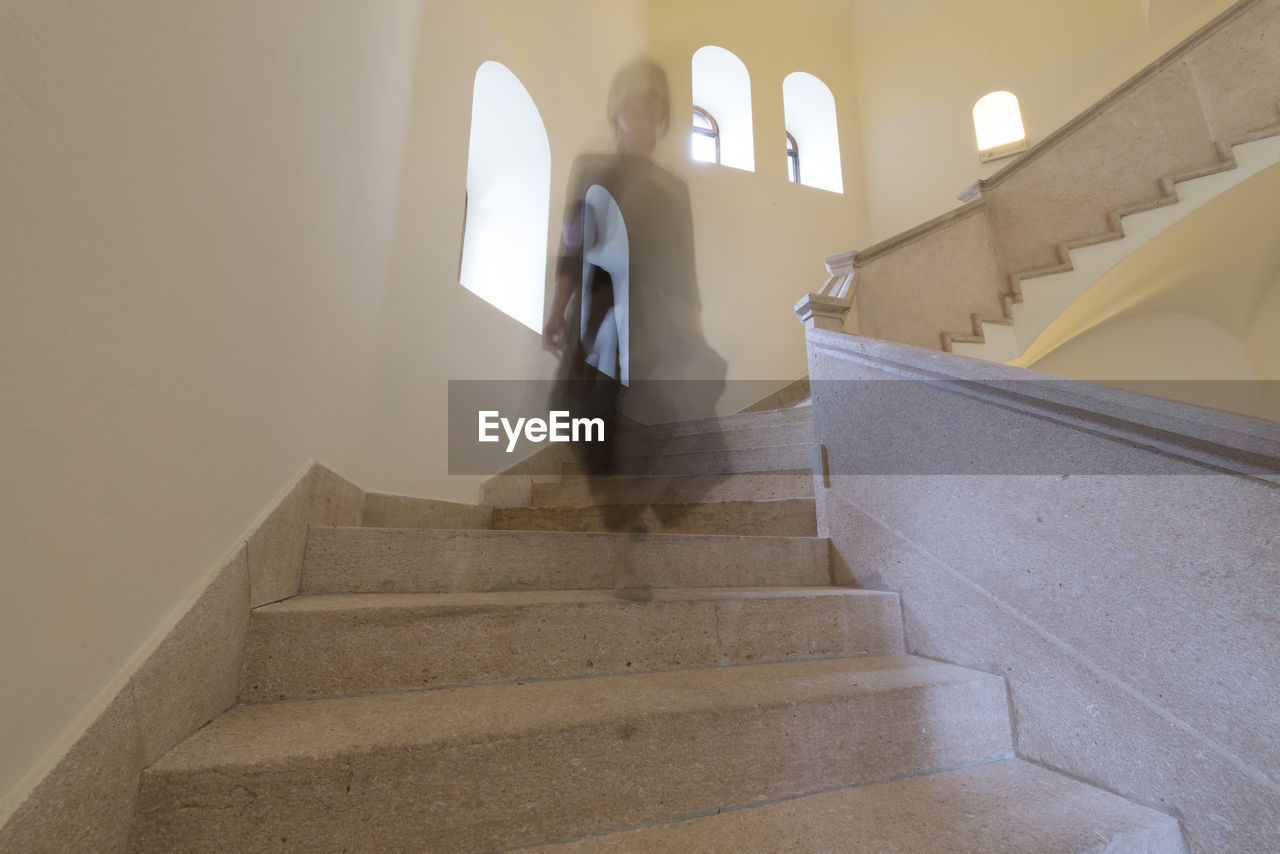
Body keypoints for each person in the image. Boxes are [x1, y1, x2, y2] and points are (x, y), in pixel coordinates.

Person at [543, 58, 727, 598]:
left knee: (641, 428)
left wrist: (693, 335)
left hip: (656, 324)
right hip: (600, 316)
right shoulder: (590, 168)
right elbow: (572, 247)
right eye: (632, 94)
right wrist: (556, 308)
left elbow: (686, 272)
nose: (642, 104)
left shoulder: (674, 188)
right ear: (615, 105)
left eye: (653, 97)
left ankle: (623, 537)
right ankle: (621, 526)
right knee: (589, 424)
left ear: (664, 112)